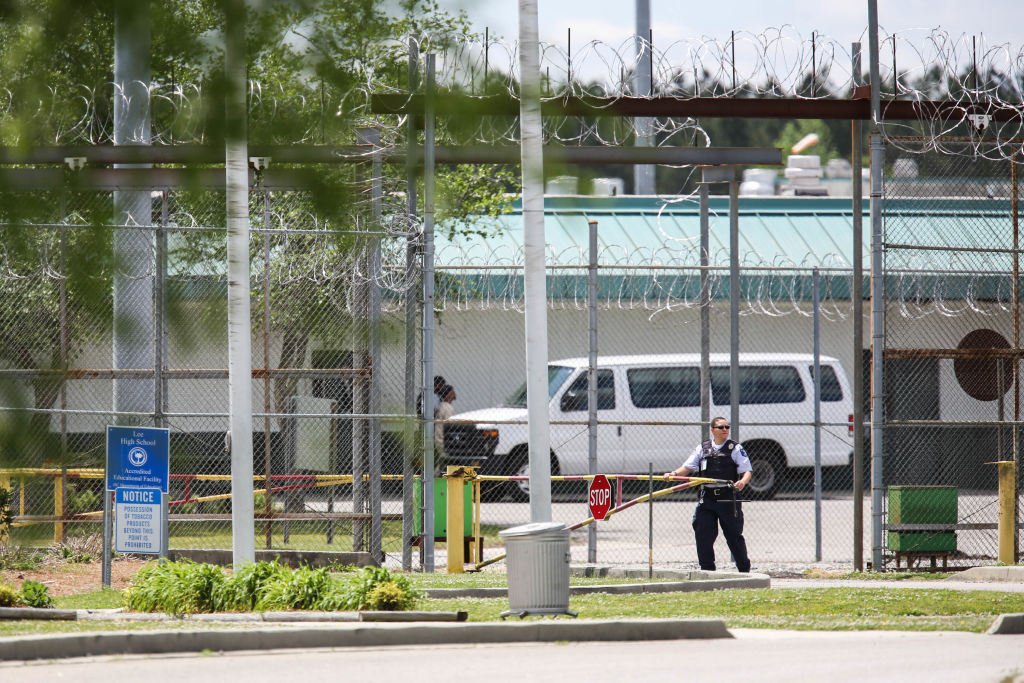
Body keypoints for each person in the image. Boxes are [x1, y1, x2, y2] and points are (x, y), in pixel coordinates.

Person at [664, 416, 753, 572]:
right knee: (703, 533)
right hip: (707, 498)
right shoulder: (703, 448)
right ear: (712, 430)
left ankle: (744, 571)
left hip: (728, 498)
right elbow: (688, 467)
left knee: (733, 536)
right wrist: (673, 474)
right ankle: (707, 571)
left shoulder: (735, 448)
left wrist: (742, 482)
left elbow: (747, 471)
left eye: (727, 427)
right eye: (721, 427)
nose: (725, 430)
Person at [433, 384, 456, 474]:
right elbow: (450, 426)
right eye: (452, 391)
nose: (454, 393)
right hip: (444, 440)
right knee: (444, 461)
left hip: (439, 438)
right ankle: (435, 476)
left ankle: (435, 475)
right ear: (449, 394)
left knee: (442, 461)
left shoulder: (441, 406)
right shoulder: (447, 408)